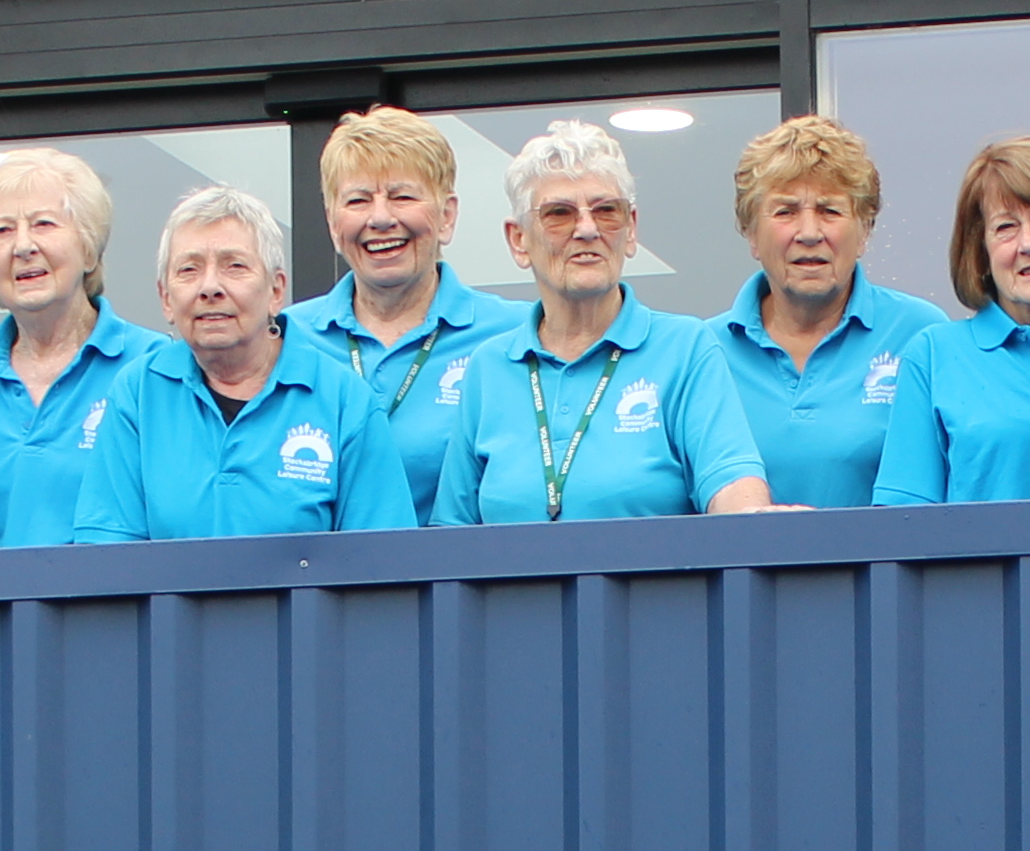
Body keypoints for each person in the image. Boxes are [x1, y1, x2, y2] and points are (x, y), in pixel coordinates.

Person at [430, 122, 772, 525]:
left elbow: (730, 478)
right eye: (559, 214)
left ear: (631, 229)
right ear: (518, 239)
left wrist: (756, 519)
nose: (587, 229)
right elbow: (451, 529)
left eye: (607, 211)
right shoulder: (488, 368)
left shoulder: (685, 348)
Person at [69, 188, 421, 543]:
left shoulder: (345, 401)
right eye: (189, 270)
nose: (210, 288)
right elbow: (108, 553)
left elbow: (383, 559)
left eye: (234, 266)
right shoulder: (138, 394)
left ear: (276, 291)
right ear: (165, 298)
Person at [292, 106, 527, 521]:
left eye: (402, 197)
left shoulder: (515, 335)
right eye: (358, 200)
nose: (381, 218)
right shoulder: (285, 341)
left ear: (446, 216)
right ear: (332, 222)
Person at [703, 116, 947, 511]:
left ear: (864, 230)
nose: (809, 233)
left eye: (830, 211)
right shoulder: (702, 352)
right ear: (750, 234)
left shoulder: (922, 334)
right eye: (785, 212)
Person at [0, 147, 152, 554]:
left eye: (43, 224)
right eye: (2, 231)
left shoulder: (153, 366)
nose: (23, 246)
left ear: (88, 249)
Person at [874, 139, 1030, 510]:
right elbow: (902, 525)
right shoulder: (933, 357)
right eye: (1006, 227)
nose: (1029, 243)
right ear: (980, 252)